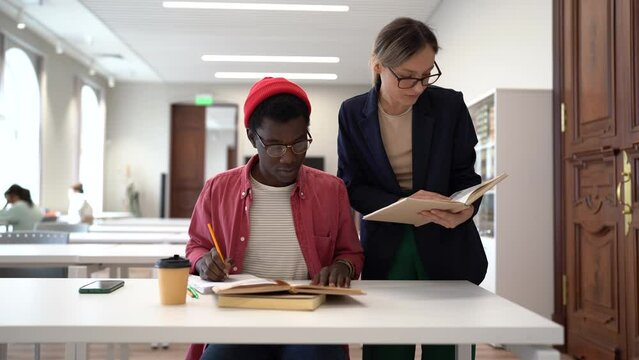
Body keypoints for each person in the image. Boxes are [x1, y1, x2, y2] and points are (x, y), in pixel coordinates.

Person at [337, 17, 486, 360]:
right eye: (406, 76)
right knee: (387, 350)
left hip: (447, 243)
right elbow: (351, 185)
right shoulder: (351, 113)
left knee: (449, 351)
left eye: (427, 74)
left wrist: (466, 209)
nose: (418, 87)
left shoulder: (449, 106)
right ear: (378, 67)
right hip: (386, 246)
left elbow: (466, 176)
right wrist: (404, 202)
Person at [185, 77, 364, 360]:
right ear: (251, 137)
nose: (288, 158)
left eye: (299, 143)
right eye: (275, 147)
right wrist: (202, 260)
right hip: (239, 317)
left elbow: (350, 253)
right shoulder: (218, 189)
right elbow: (195, 245)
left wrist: (343, 266)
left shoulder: (332, 190)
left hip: (310, 317)